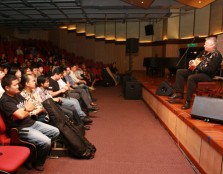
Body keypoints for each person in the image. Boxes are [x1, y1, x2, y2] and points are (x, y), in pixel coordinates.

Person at [0, 74, 60, 171]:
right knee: (46, 141)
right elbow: (20, 115)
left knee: (55, 132)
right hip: (20, 128)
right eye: (15, 85)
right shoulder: (5, 101)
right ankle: (37, 162)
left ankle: (36, 152)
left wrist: (25, 110)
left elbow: (31, 106)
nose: (18, 86)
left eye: (18, 84)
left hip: (31, 122)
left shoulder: (17, 94)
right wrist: (25, 109)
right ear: (7, 87)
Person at [168, 36, 222, 109]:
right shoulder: (204, 52)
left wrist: (197, 66)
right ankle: (179, 93)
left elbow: (210, 70)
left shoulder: (217, 55)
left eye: (206, 44)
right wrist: (192, 63)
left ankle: (188, 101)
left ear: (212, 45)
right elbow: (196, 61)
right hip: (198, 71)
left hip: (207, 75)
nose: (204, 45)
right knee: (180, 71)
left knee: (191, 78)